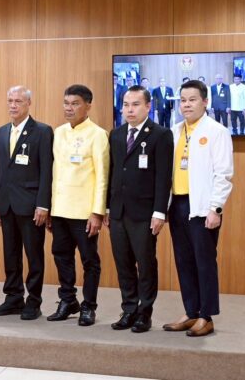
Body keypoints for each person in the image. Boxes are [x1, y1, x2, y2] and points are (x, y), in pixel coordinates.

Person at [164, 79, 233, 337]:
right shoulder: (174, 131)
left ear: (205, 101)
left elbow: (223, 174)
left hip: (203, 207)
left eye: (192, 100)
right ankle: (191, 312)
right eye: (183, 100)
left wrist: (216, 208)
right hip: (178, 204)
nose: (186, 105)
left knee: (204, 262)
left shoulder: (217, 131)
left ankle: (206, 316)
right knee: (184, 261)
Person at [105, 86, 173, 333]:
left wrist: (159, 212)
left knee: (145, 264)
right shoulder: (116, 134)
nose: (129, 110)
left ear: (148, 106)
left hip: (144, 213)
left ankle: (145, 312)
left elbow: (163, 177)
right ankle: (129, 309)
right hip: (118, 211)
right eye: (125, 105)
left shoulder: (160, 135)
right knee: (123, 264)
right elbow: (112, 172)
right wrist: (107, 207)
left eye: (135, 104)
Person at [0, 86, 53, 321]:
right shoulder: (1, 132)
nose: (13, 105)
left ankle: (33, 301)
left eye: (18, 101)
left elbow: (47, 171)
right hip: (6, 204)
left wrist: (43, 204)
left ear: (28, 104)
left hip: (31, 205)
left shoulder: (42, 131)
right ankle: (13, 297)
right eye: (10, 101)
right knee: (10, 254)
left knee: (34, 255)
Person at [48, 85, 109, 326]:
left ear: (88, 106)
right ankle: (67, 300)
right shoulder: (59, 132)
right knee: (61, 256)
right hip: (60, 208)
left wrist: (97, 212)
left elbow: (102, 176)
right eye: (66, 103)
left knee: (89, 261)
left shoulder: (98, 134)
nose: (69, 108)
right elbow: (55, 173)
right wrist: (51, 208)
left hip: (84, 212)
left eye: (75, 103)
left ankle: (89, 306)